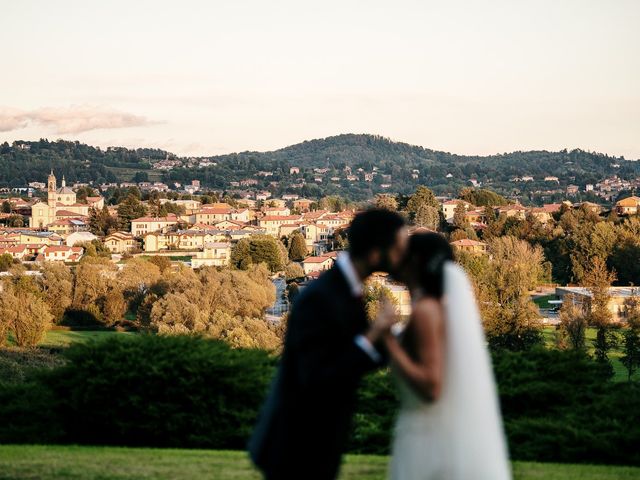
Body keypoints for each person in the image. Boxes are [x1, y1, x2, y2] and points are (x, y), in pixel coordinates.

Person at [248, 208, 408, 480]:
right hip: (297, 444)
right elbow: (318, 375)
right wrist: (374, 334)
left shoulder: (347, 290)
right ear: (375, 253)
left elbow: (358, 358)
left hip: (320, 441)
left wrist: (396, 338)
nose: (403, 256)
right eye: (398, 248)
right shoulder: (321, 297)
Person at [379, 232, 511, 480]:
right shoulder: (439, 308)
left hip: (425, 435)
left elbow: (432, 386)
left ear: (415, 262)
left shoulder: (425, 312)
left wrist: (388, 340)